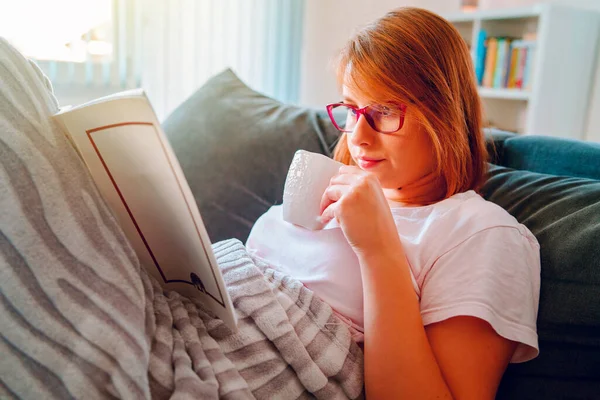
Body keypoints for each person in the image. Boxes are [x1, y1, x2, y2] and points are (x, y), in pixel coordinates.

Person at [246, 7, 540, 399]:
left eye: (383, 111)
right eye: (352, 109)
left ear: (445, 115)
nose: (359, 137)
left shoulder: (480, 231)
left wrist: (378, 249)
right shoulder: (323, 187)